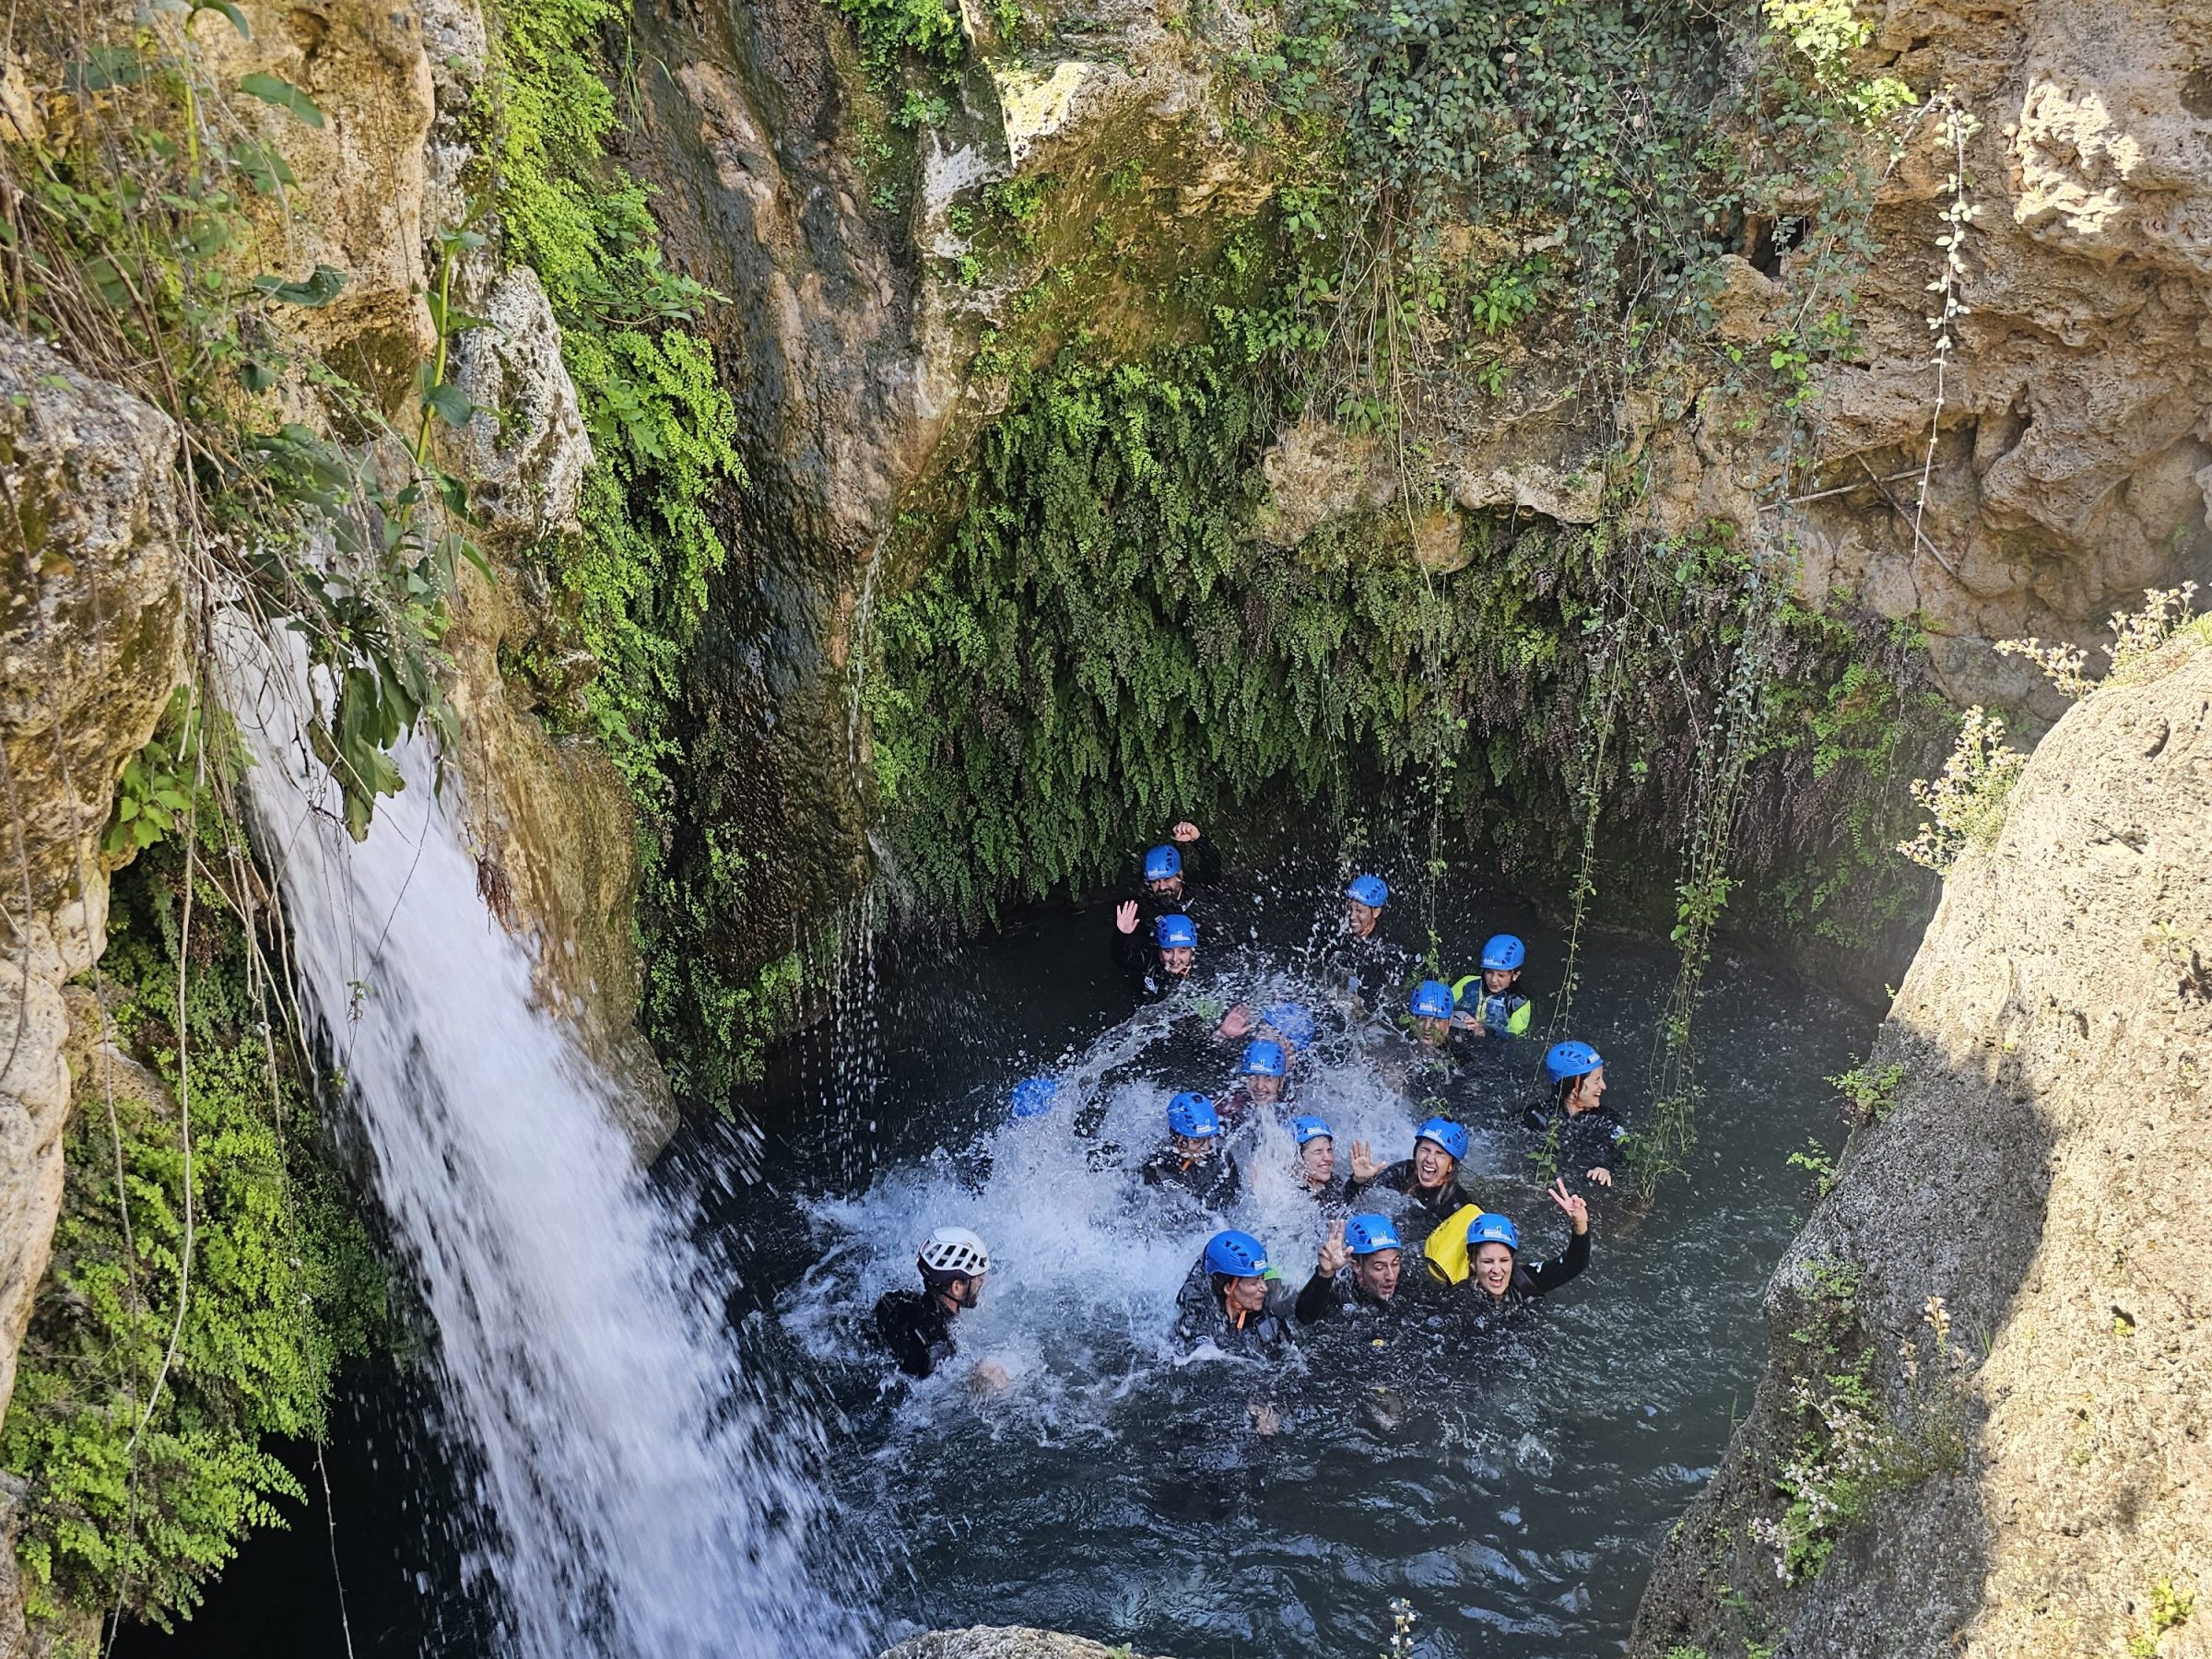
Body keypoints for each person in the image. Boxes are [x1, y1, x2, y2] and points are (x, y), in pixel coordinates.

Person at [1173, 1227, 1345, 1355]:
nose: (1263, 1287)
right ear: (1228, 1288)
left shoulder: (1268, 1307)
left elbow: (1306, 1316)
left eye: (1262, 1278)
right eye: (1255, 1282)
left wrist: (1325, 1274)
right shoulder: (1197, 1321)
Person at [872, 1227, 1006, 1388]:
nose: (982, 1284)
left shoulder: (896, 1299)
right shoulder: (941, 1344)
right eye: (978, 1279)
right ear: (956, 1287)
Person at [1462, 1180, 1592, 1325]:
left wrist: (1580, 1224)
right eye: (1487, 1262)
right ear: (1473, 1263)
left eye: (1504, 1260)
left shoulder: (1522, 1280)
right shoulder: (1460, 1300)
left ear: (1512, 1260)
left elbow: (1573, 1265)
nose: (1497, 1270)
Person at [1345, 1116, 1476, 1240]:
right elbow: (1347, 1208)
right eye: (1425, 1150)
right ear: (1416, 1152)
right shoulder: (1402, 1172)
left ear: (1451, 1166)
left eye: (1439, 1154)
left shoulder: (1457, 1205)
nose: (1429, 1159)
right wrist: (1358, 1182)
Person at [1525, 1041, 1627, 1189]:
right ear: (1574, 1089)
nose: (1603, 1087)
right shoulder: (1535, 1116)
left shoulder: (1608, 1119)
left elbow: (1622, 1153)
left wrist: (1606, 1168)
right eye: (1597, 1081)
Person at [1141, 1091, 1241, 1208]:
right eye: (1196, 1141)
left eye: (1208, 1138)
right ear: (1178, 1139)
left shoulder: (1222, 1161)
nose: (1205, 1147)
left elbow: (1234, 1206)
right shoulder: (1157, 1167)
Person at [1303, 1212, 1411, 1318]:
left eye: (1395, 1263)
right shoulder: (1343, 1291)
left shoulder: (1406, 1281)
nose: (1391, 1276)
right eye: (1379, 1267)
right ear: (1357, 1267)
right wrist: (1325, 1274)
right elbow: (1305, 1317)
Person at [1133, 822, 1222, 930]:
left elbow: (1212, 866)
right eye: (1155, 881)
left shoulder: (1197, 888)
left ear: (1179, 875)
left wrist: (1198, 839)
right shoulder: (1145, 907)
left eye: (1166, 879)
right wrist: (1126, 932)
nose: (1162, 887)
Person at [1452, 935, 1532, 1039]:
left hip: (1489, 1047)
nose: (1493, 980)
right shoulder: (1467, 983)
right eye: (1489, 972)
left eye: (1501, 975)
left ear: (1515, 975)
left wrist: (1484, 1031)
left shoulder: (1519, 1003)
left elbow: (1513, 1039)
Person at [1112, 909, 1198, 1002]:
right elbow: (1121, 958)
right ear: (1159, 950)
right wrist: (1122, 935)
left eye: (1182, 952)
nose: (1175, 959)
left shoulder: (1203, 967)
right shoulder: (1148, 960)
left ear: (1192, 951)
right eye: (1168, 951)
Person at [1218, 1037, 1289, 1124]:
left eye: (1269, 1079)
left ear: (1281, 1081)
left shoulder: (1294, 1103)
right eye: (1253, 1078)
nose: (1259, 1086)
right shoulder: (1229, 1109)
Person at [1290, 1114, 1345, 1205]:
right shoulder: (1290, 1194)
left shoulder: (1333, 1182)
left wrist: (1358, 1181)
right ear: (1298, 1157)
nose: (1328, 1158)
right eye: (1318, 1152)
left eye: (1329, 1150)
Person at [1407, 979, 1458, 1049]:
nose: (1427, 1027)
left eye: (1436, 1020)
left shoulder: (1459, 1052)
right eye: (1422, 1018)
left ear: (1450, 1021)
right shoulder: (1402, 1042)